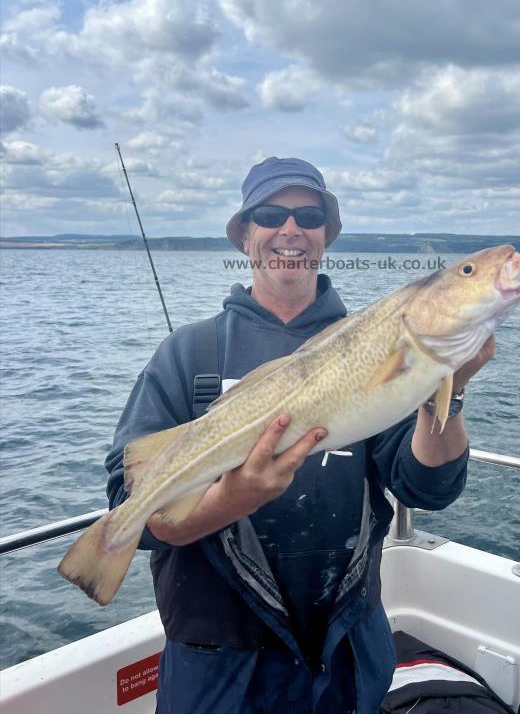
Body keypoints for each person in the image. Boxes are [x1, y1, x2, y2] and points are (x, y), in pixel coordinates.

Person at [105, 157, 494, 714]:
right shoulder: (187, 355)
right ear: (245, 235)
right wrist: (230, 499)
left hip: (343, 653)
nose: (291, 230)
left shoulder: (377, 347)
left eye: (309, 216)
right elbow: (131, 507)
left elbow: (426, 488)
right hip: (218, 658)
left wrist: (448, 391)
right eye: (270, 214)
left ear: (326, 236)